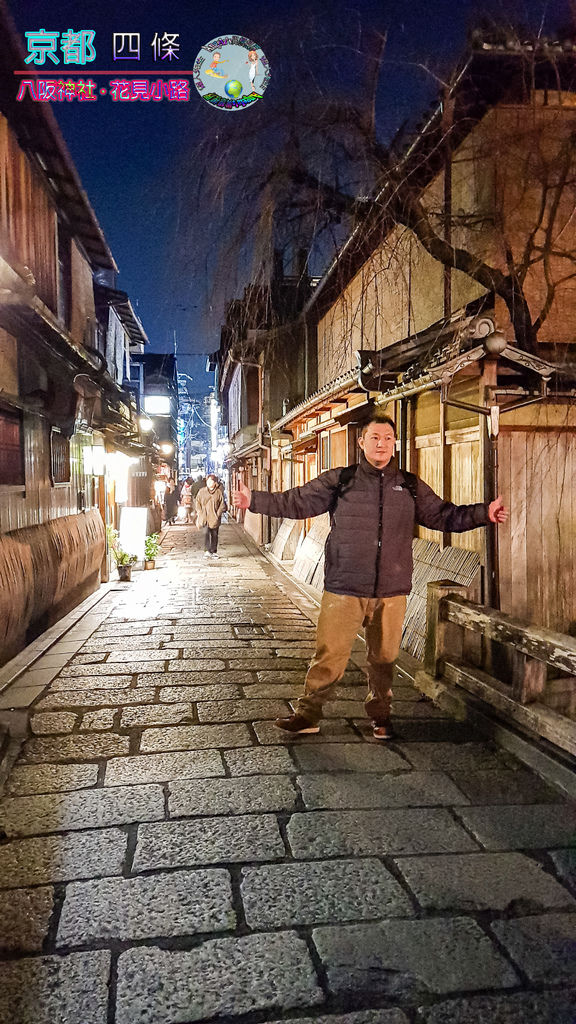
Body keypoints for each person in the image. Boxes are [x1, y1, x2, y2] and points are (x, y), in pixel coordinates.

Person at [234, 413, 508, 740]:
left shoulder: (408, 485)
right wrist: (255, 501)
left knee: (384, 659)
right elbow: (297, 502)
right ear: (361, 441)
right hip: (345, 587)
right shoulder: (341, 480)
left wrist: (483, 513)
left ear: (395, 444)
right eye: (375, 438)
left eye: (388, 438)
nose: (382, 444)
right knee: (329, 655)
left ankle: (381, 716)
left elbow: (444, 515)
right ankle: (308, 715)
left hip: (391, 590)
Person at [196, 474, 226, 558]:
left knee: (214, 534)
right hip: (204, 516)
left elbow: (222, 504)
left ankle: (213, 551)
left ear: (215, 482)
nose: (209, 483)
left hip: (214, 517)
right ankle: (207, 550)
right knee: (205, 533)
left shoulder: (218, 492)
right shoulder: (202, 491)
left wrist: (218, 514)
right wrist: (199, 512)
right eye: (208, 481)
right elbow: (197, 502)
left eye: (211, 481)